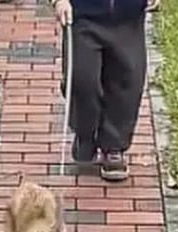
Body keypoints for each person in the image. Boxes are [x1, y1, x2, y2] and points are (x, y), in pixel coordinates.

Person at [53, 0, 150, 182]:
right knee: (82, 80)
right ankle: (85, 132)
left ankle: (113, 146)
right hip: (82, 15)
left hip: (128, 16)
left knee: (127, 79)